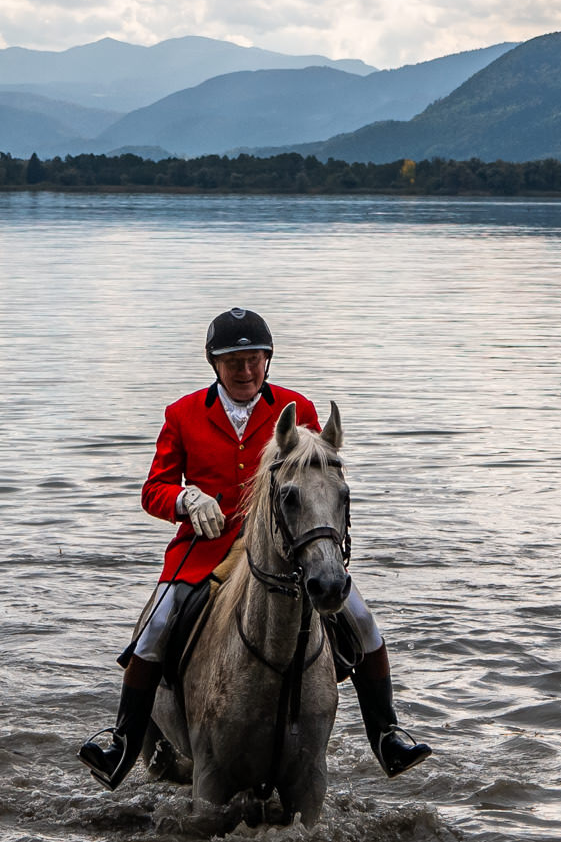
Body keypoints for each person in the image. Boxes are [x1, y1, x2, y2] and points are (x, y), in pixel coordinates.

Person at [78, 307, 432, 791]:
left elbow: (318, 480)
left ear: (267, 359)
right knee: (154, 630)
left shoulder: (296, 407)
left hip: (289, 550)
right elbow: (153, 489)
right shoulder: (182, 414)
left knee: (363, 621)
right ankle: (121, 741)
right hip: (206, 551)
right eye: (233, 362)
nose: (245, 371)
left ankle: (388, 735)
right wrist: (185, 500)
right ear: (215, 364)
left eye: (254, 360)